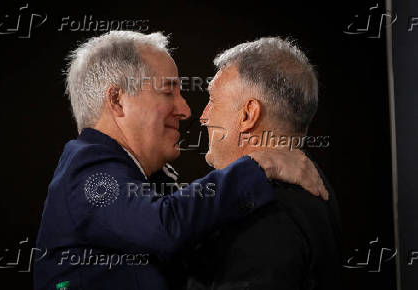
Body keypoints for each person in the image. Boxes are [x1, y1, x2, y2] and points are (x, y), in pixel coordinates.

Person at [34, 31, 328, 290]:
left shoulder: (148, 180)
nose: (186, 110)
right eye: (168, 90)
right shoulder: (88, 175)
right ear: (117, 100)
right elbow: (164, 226)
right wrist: (261, 163)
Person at [186, 37, 342, 290]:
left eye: (213, 100)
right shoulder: (314, 186)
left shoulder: (261, 211)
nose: (203, 116)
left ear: (248, 114)